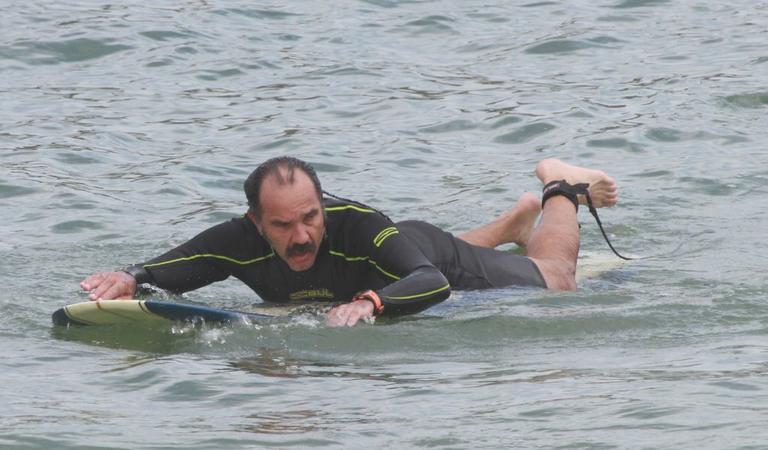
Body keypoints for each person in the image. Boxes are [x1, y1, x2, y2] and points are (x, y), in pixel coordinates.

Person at [80, 156, 618, 327]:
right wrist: (133, 277)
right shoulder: (238, 238)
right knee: (401, 258)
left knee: (556, 279)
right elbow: (181, 264)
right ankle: (512, 224)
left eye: (311, 218)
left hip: (429, 261)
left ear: (324, 207)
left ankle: (557, 188)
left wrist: (371, 302)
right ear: (256, 221)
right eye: (283, 226)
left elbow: (429, 281)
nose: (302, 236)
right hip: (396, 256)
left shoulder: (358, 223)